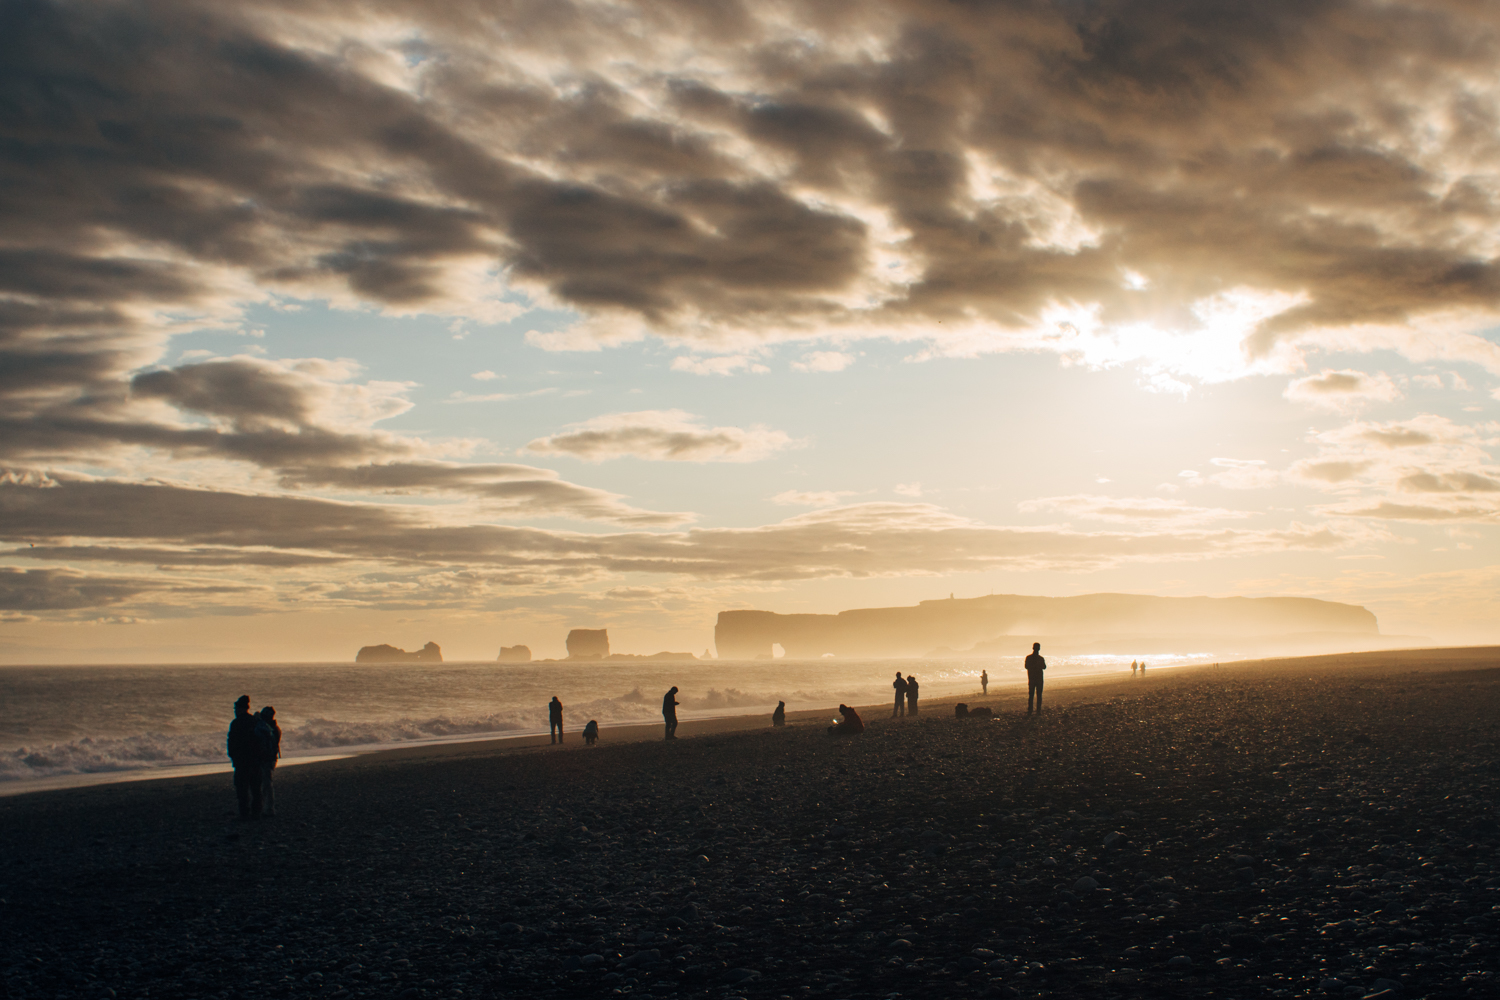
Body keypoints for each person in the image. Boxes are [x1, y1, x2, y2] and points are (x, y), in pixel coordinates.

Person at [226, 695, 263, 819]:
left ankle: (244, 812)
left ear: (240, 709)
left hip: (242, 761)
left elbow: (231, 742)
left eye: (236, 709)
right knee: (256, 788)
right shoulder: (254, 721)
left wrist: (233, 756)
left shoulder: (236, 723)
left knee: (242, 789)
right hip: (255, 760)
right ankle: (256, 811)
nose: (235, 711)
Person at [257, 705, 282, 817]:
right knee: (267, 783)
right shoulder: (275, 728)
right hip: (272, 758)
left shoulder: (267, 729)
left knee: (266, 784)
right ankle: (267, 807)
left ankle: (268, 808)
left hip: (266, 758)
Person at [1025, 642, 1046, 713]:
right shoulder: (1040, 658)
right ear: (1039, 649)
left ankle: (1030, 709)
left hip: (1032, 678)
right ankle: (1038, 710)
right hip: (1038, 678)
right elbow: (1044, 667)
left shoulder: (1029, 658)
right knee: (1038, 695)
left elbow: (1026, 666)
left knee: (1031, 694)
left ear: (1033, 648)